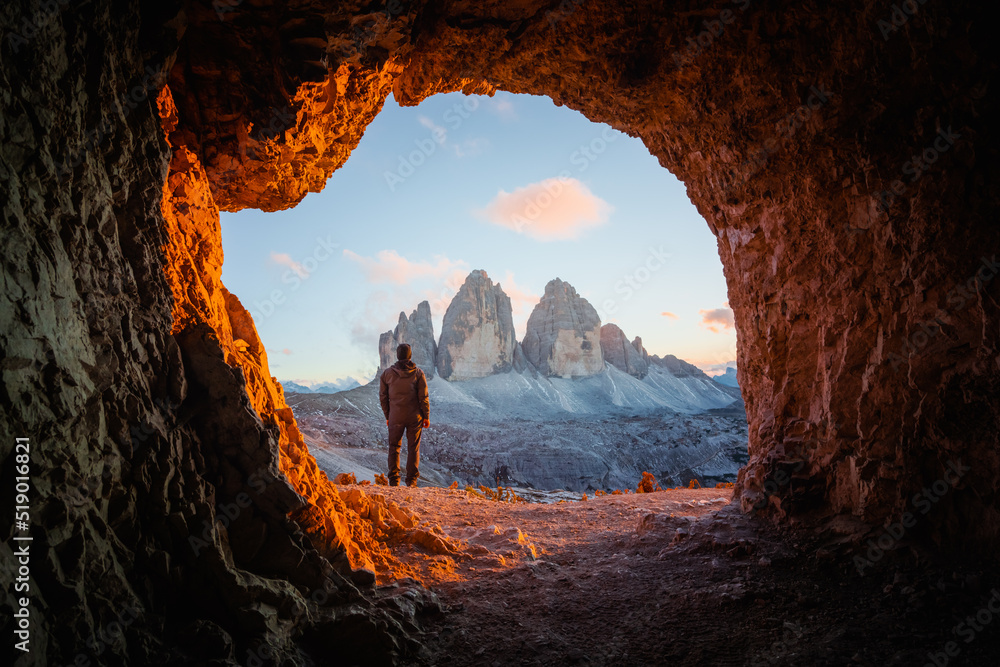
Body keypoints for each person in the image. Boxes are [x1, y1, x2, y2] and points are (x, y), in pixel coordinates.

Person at [378, 343, 429, 487]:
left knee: (394, 447)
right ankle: (411, 481)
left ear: (397, 356)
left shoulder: (386, 374)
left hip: (395, 416)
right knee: (414, 448)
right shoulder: (418, 373)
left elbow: (383, 397)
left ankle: (394, 480)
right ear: (410, 356)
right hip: (415, 417)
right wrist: (426, 416)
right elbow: (423, 397)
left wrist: (388, 416)